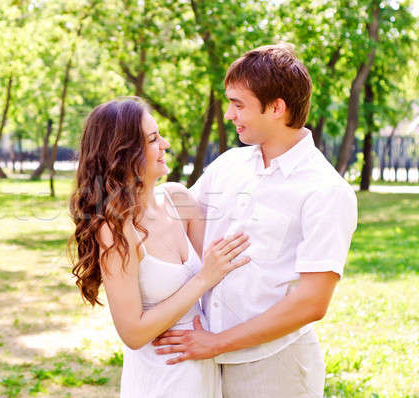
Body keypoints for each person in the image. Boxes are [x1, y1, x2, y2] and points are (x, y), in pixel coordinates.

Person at [152, 44, 358, 397]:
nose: (230, 115)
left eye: (239, 104)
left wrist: (216, 343)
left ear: (276, 107)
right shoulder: (228, 166)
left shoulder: (325, 190)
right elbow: (176, 223)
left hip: (274, 367)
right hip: (206, 364)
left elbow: (312, 302)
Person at [69, 98, 251, 398]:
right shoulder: (115, 231)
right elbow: (133, 332)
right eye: (153, 139)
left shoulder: (178, 200)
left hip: (204, 374)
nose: (165, 143)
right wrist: (203, 278)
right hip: (161, 379)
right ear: (123, 154)